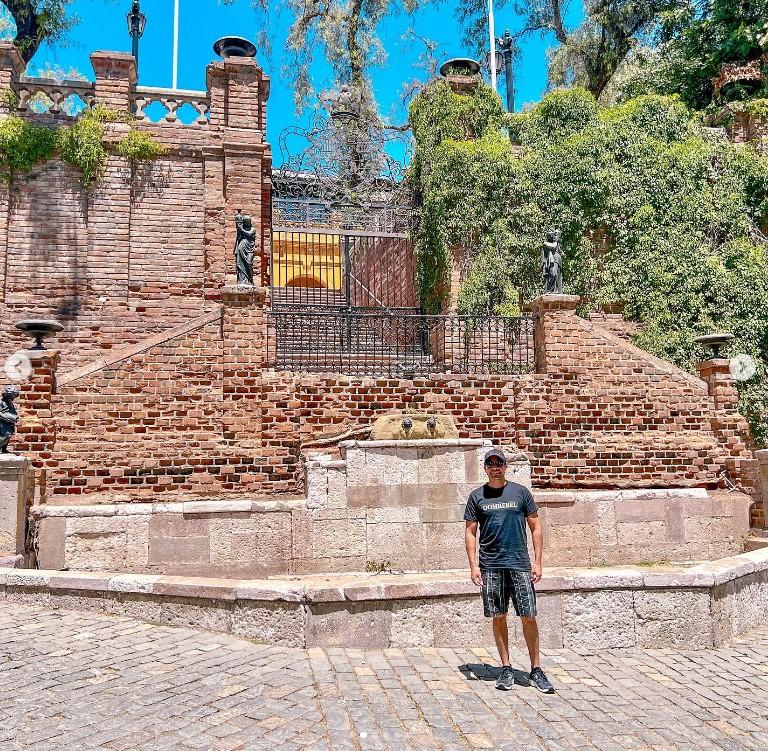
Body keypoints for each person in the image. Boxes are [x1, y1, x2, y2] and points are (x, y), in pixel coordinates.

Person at [464, 448, 555, 693]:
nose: (495, 467)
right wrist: (473, 566)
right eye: (490, 464)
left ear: (506, 467)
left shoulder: (521, 493)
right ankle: (506, 667)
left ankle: (536, 669)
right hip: (491, 565)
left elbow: (535, 527)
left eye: (499, 463)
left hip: (519, 564)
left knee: (529, 616)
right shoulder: (477, 497)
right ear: (485, 468)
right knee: (499, 615)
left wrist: (538, 562)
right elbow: (470, 532)